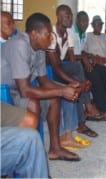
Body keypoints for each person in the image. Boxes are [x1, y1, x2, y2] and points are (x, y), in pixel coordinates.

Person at [1, 12, 81, 161]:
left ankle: (55, 148)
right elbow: (25, 91)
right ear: (34, 33)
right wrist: (62, 91)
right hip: (3, 91)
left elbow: (44, 81)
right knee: (33, 102)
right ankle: (30, 157)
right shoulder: (19, 44)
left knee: (53, 97)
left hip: (17, 88)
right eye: (48, 34)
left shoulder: (39, 49)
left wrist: (66, 87)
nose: (51, 38)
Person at [46, 5, 102, 138]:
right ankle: (85, 112)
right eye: (67, 15)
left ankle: (84, 113)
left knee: (78, 68)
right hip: (49, 72)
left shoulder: (68, 34)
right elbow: (55, 68)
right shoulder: (51, 35)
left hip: (62, 67)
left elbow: (72, 60)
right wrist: (78, 82)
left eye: (71, 15)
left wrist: (81, 82)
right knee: (77, 83)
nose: (70, 18)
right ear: (58, 17)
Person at [82, 15, 106, 123]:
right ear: (92, 25)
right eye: (97, 24)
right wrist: (93, 57)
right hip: (92, 61)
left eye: (101, 24)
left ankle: (104, 100)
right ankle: (103, 106)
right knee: (99, 74)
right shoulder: (87, 36)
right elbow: (83, 51)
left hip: (104, 61)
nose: (100, 26)